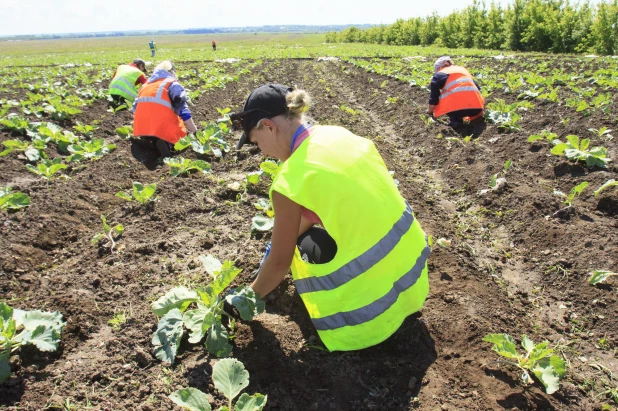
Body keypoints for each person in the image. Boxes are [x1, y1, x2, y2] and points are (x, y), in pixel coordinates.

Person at [231, 84, 430, 352]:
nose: (263, 153)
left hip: (366, 322)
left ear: (268, 126)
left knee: (305, 246)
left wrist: (241, 303)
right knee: (309, 233)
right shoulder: (337, 135)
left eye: (257, 143)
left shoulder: (290, 181)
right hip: (414, 283)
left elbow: (279, 264)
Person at [132, 60, 198, 158]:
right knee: (181, 132)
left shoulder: (145, 86)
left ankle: (150, 141)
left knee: (153, 128)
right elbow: (182, 110)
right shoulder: (172, 84)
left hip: (141, 128)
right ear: (171, 72)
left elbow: (134, 108)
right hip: (161, 127)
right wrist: (195, 131)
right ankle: (168, 144)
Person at [426, 56, 484, 128]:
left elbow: (433, 99)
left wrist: (429, 112)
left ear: (440, 67)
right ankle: (476, 122)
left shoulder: (439, 75)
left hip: (456, 111)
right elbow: (478, 89)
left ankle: (455, 120)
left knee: (444, 94)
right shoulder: (463, 70)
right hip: (477, 109)